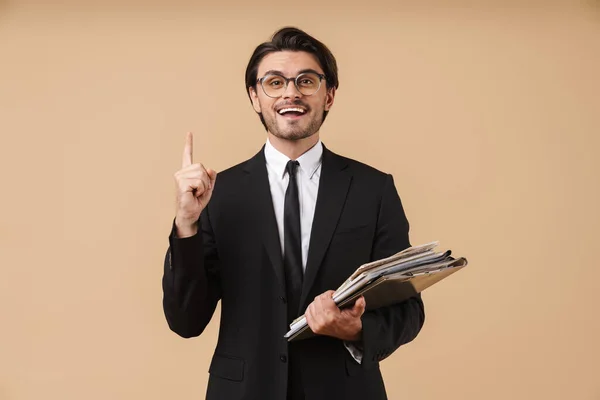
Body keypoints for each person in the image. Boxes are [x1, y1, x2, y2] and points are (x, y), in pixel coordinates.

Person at [162, 26, 425, 400]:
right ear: (255, 96)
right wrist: (186, 224)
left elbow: (408, 311)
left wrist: (352, 329)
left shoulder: (373, 189)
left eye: (306, 81)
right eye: (274, 82)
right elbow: (185, 321)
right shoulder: (218, 193)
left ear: (329, 94)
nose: (291, 93)